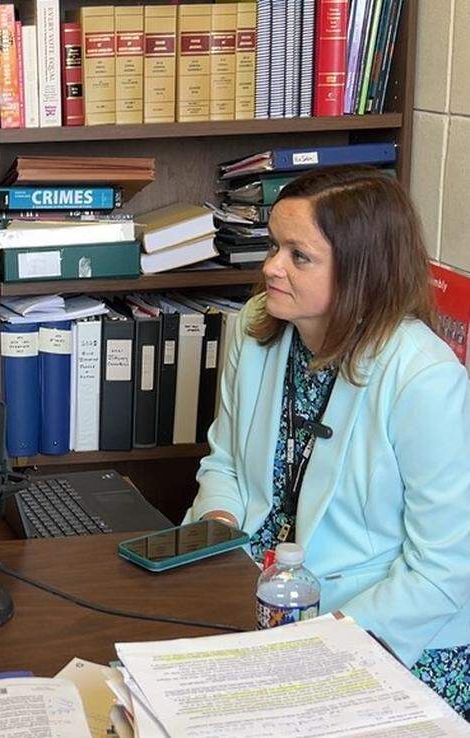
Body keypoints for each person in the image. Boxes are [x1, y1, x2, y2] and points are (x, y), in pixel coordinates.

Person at [184, 166, 470, 716]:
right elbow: (223, 463)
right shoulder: (256, 326)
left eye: (299, 255)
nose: (271, 267)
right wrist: (212, 540)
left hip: (381, 633)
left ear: (363, 271)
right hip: (252, 594)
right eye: (273, 246)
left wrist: (320, 648)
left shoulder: (423, 376)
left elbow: (444, 570)